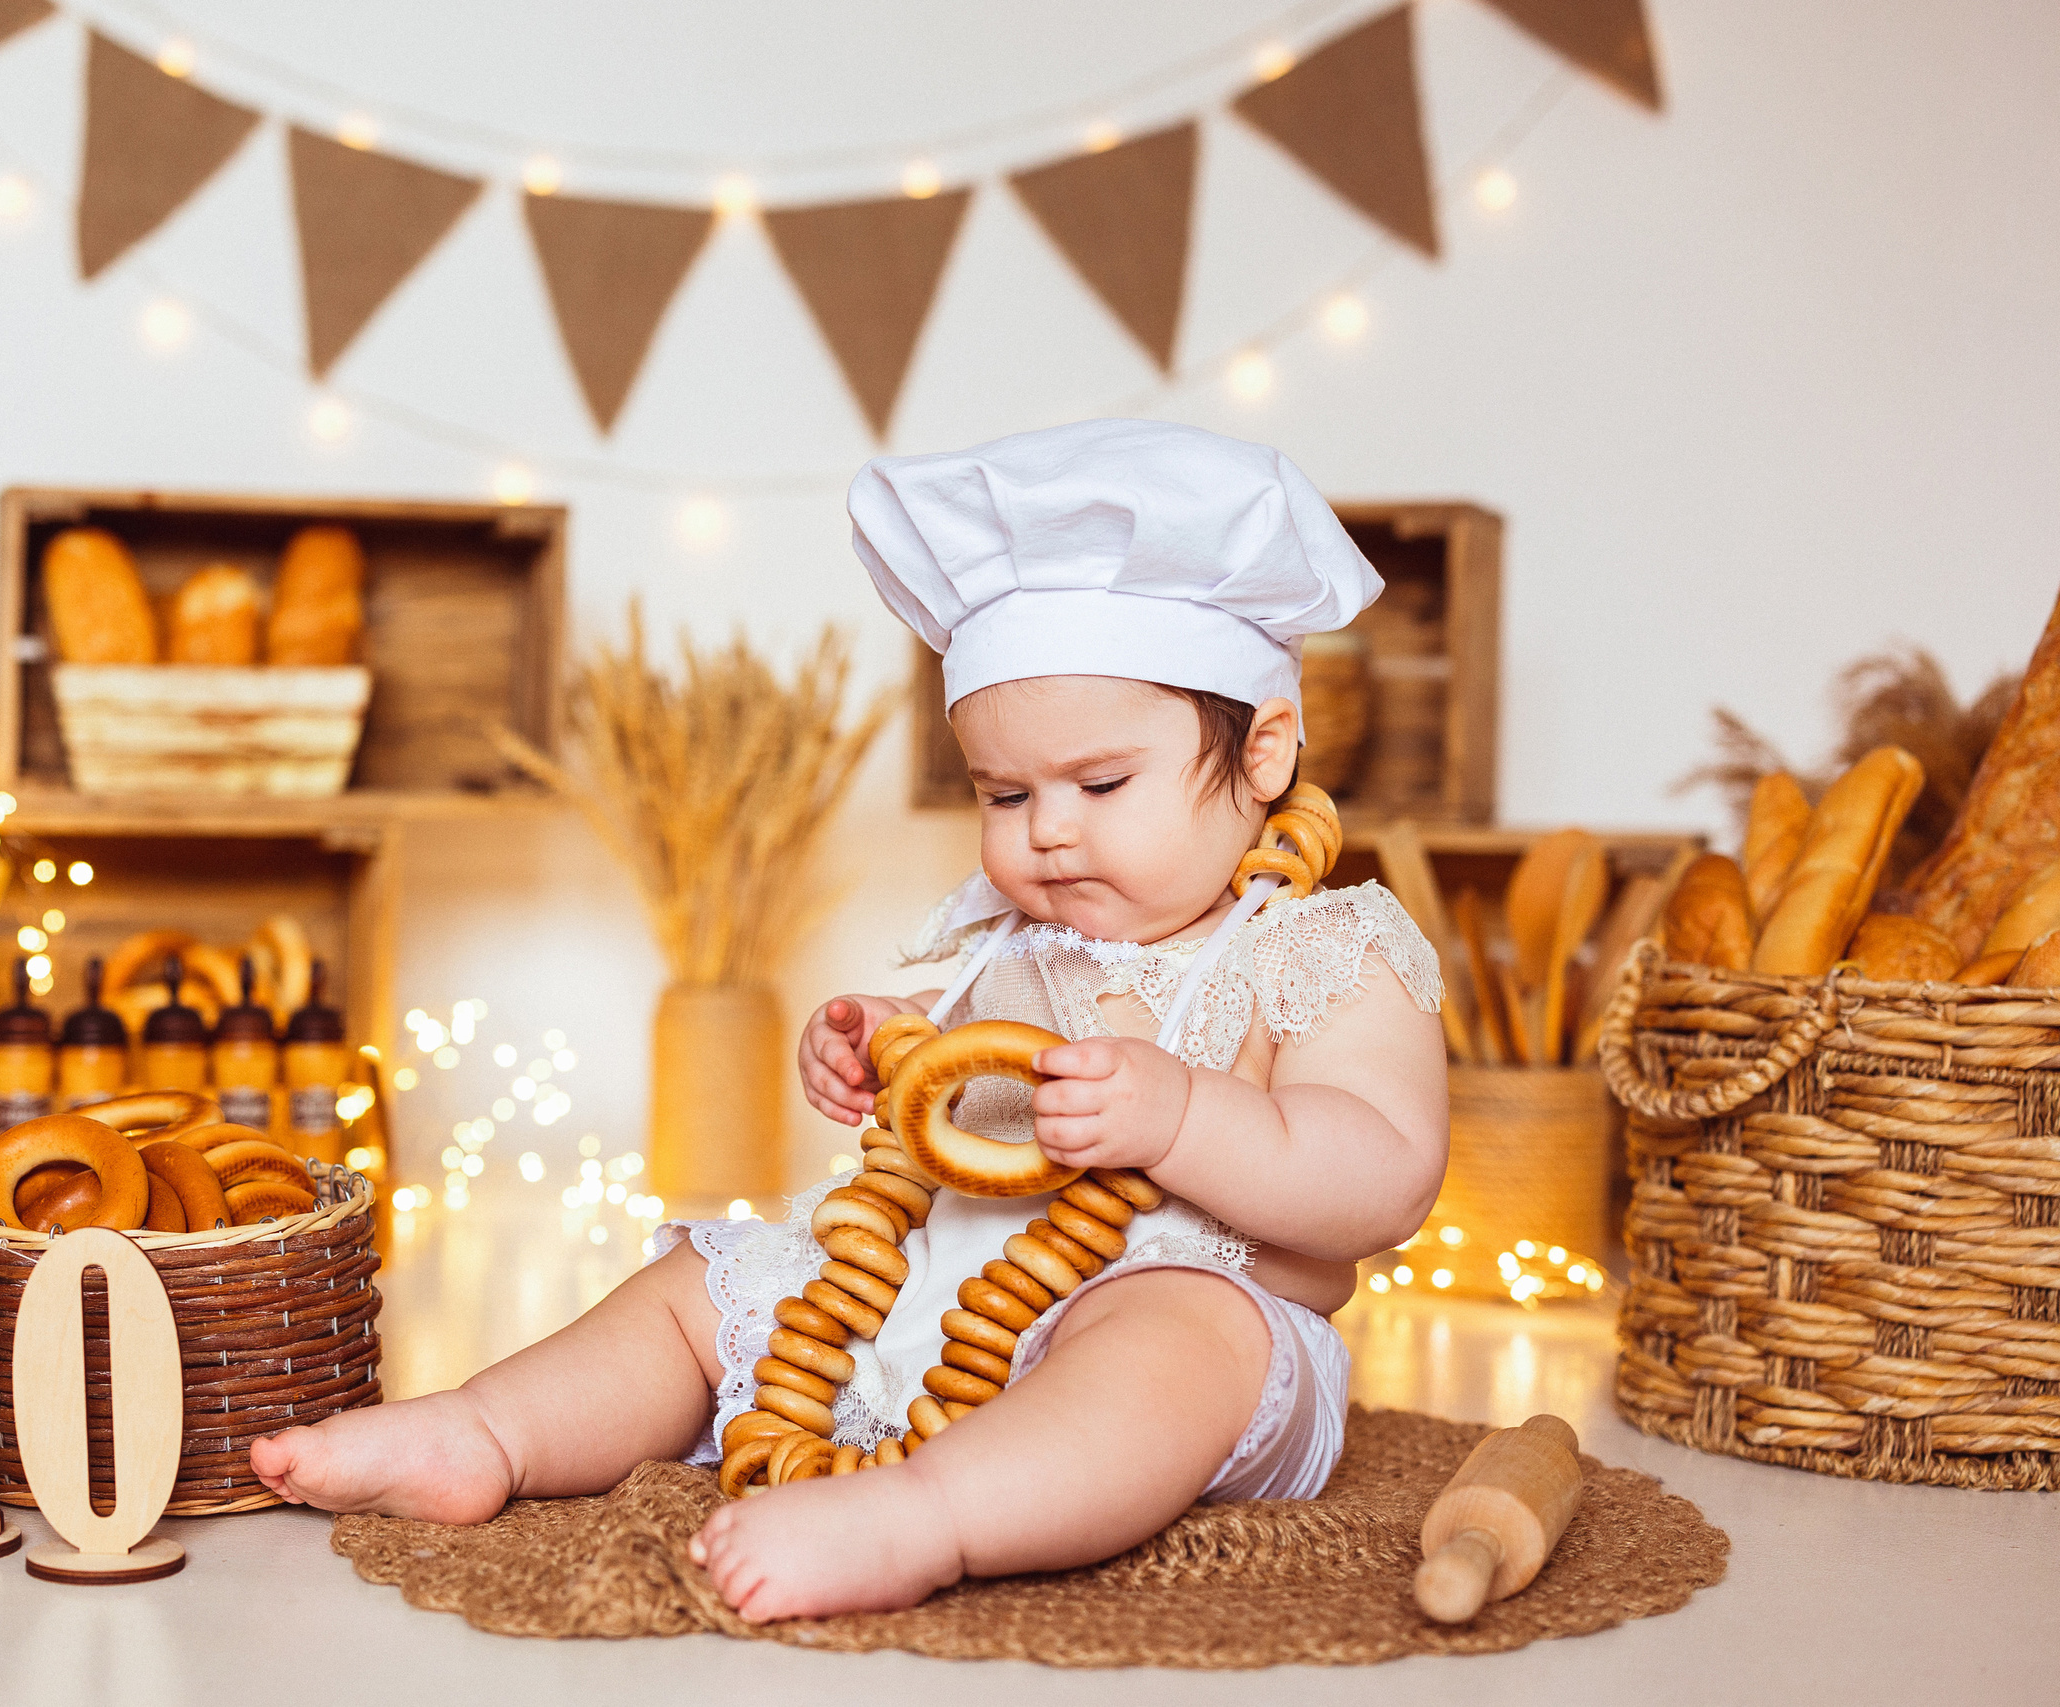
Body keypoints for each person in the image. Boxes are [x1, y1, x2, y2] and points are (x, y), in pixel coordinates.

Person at [249, 419, 1450, 1625]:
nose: (1047, 830)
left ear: (1264, 754)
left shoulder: (1321, 949)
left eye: (1100, 784)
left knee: (1165, 1343)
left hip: (1181, 1322)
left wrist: (1182, 1117)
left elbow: (1383, 1177)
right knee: (702, 1285)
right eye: (1003, 793)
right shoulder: (1015, 941)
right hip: (942, 1295)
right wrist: (893, 1039)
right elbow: (969, 1073)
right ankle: (486, 1432)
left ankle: (920, 1521)